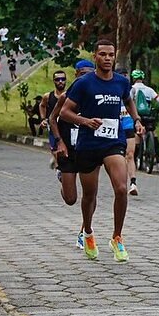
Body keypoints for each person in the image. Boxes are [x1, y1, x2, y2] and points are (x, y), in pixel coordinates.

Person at [60, 40, 143, 262]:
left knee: (121, 187)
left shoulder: (121, 82)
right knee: (89, 195)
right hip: (88, 144)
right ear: (95, 56)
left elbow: (128, 100)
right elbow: (65, 113)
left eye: (111, 55)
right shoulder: (84, 83)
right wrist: (85, 121)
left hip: (112, 142)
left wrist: (136, 119)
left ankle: (117, 237)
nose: (107, 58)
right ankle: (87, 231)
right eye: (103, 54)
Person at [49, 60, 95, 206]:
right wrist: (59, 142)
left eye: (88, 75)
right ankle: (63, 178)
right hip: (68, 150)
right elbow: (52, 119)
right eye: (82, 75)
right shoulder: (65, 97)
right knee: (70, 199)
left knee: (90, 194)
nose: (84, 79)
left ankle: (87, 228)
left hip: (87, 149)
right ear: (76, 74)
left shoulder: (95, 98)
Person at [130, 69, 159, 167]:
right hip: (148, 115)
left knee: (137, 135)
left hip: (137, 115)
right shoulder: (149, 90)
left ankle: (134, 158)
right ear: (142, 78)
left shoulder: (132, 89)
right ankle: (157, 156)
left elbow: (128, 101)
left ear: (133, 78)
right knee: (153, 133)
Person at [115, 68, 138, 195]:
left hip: (128, 124)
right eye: (121, 76)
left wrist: (137, 121)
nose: (124, 78)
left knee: (130, 154)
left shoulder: (131, 90)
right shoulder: (111, 88)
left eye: (125, 75)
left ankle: (133, 183)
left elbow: (132, 106)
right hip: (115, 126)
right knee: (118, 157)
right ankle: (120, 182)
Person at [41, 70, 68, 172]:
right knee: (55, 147)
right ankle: (59, 169)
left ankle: (57, 161)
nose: (60, 81)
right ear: (53, 81)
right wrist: (43, 119)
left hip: (66, 125)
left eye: (63, 79)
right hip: (52, 125)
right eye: (57, 79)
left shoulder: (69, 95)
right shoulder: (48, 96)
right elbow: (42, 105)